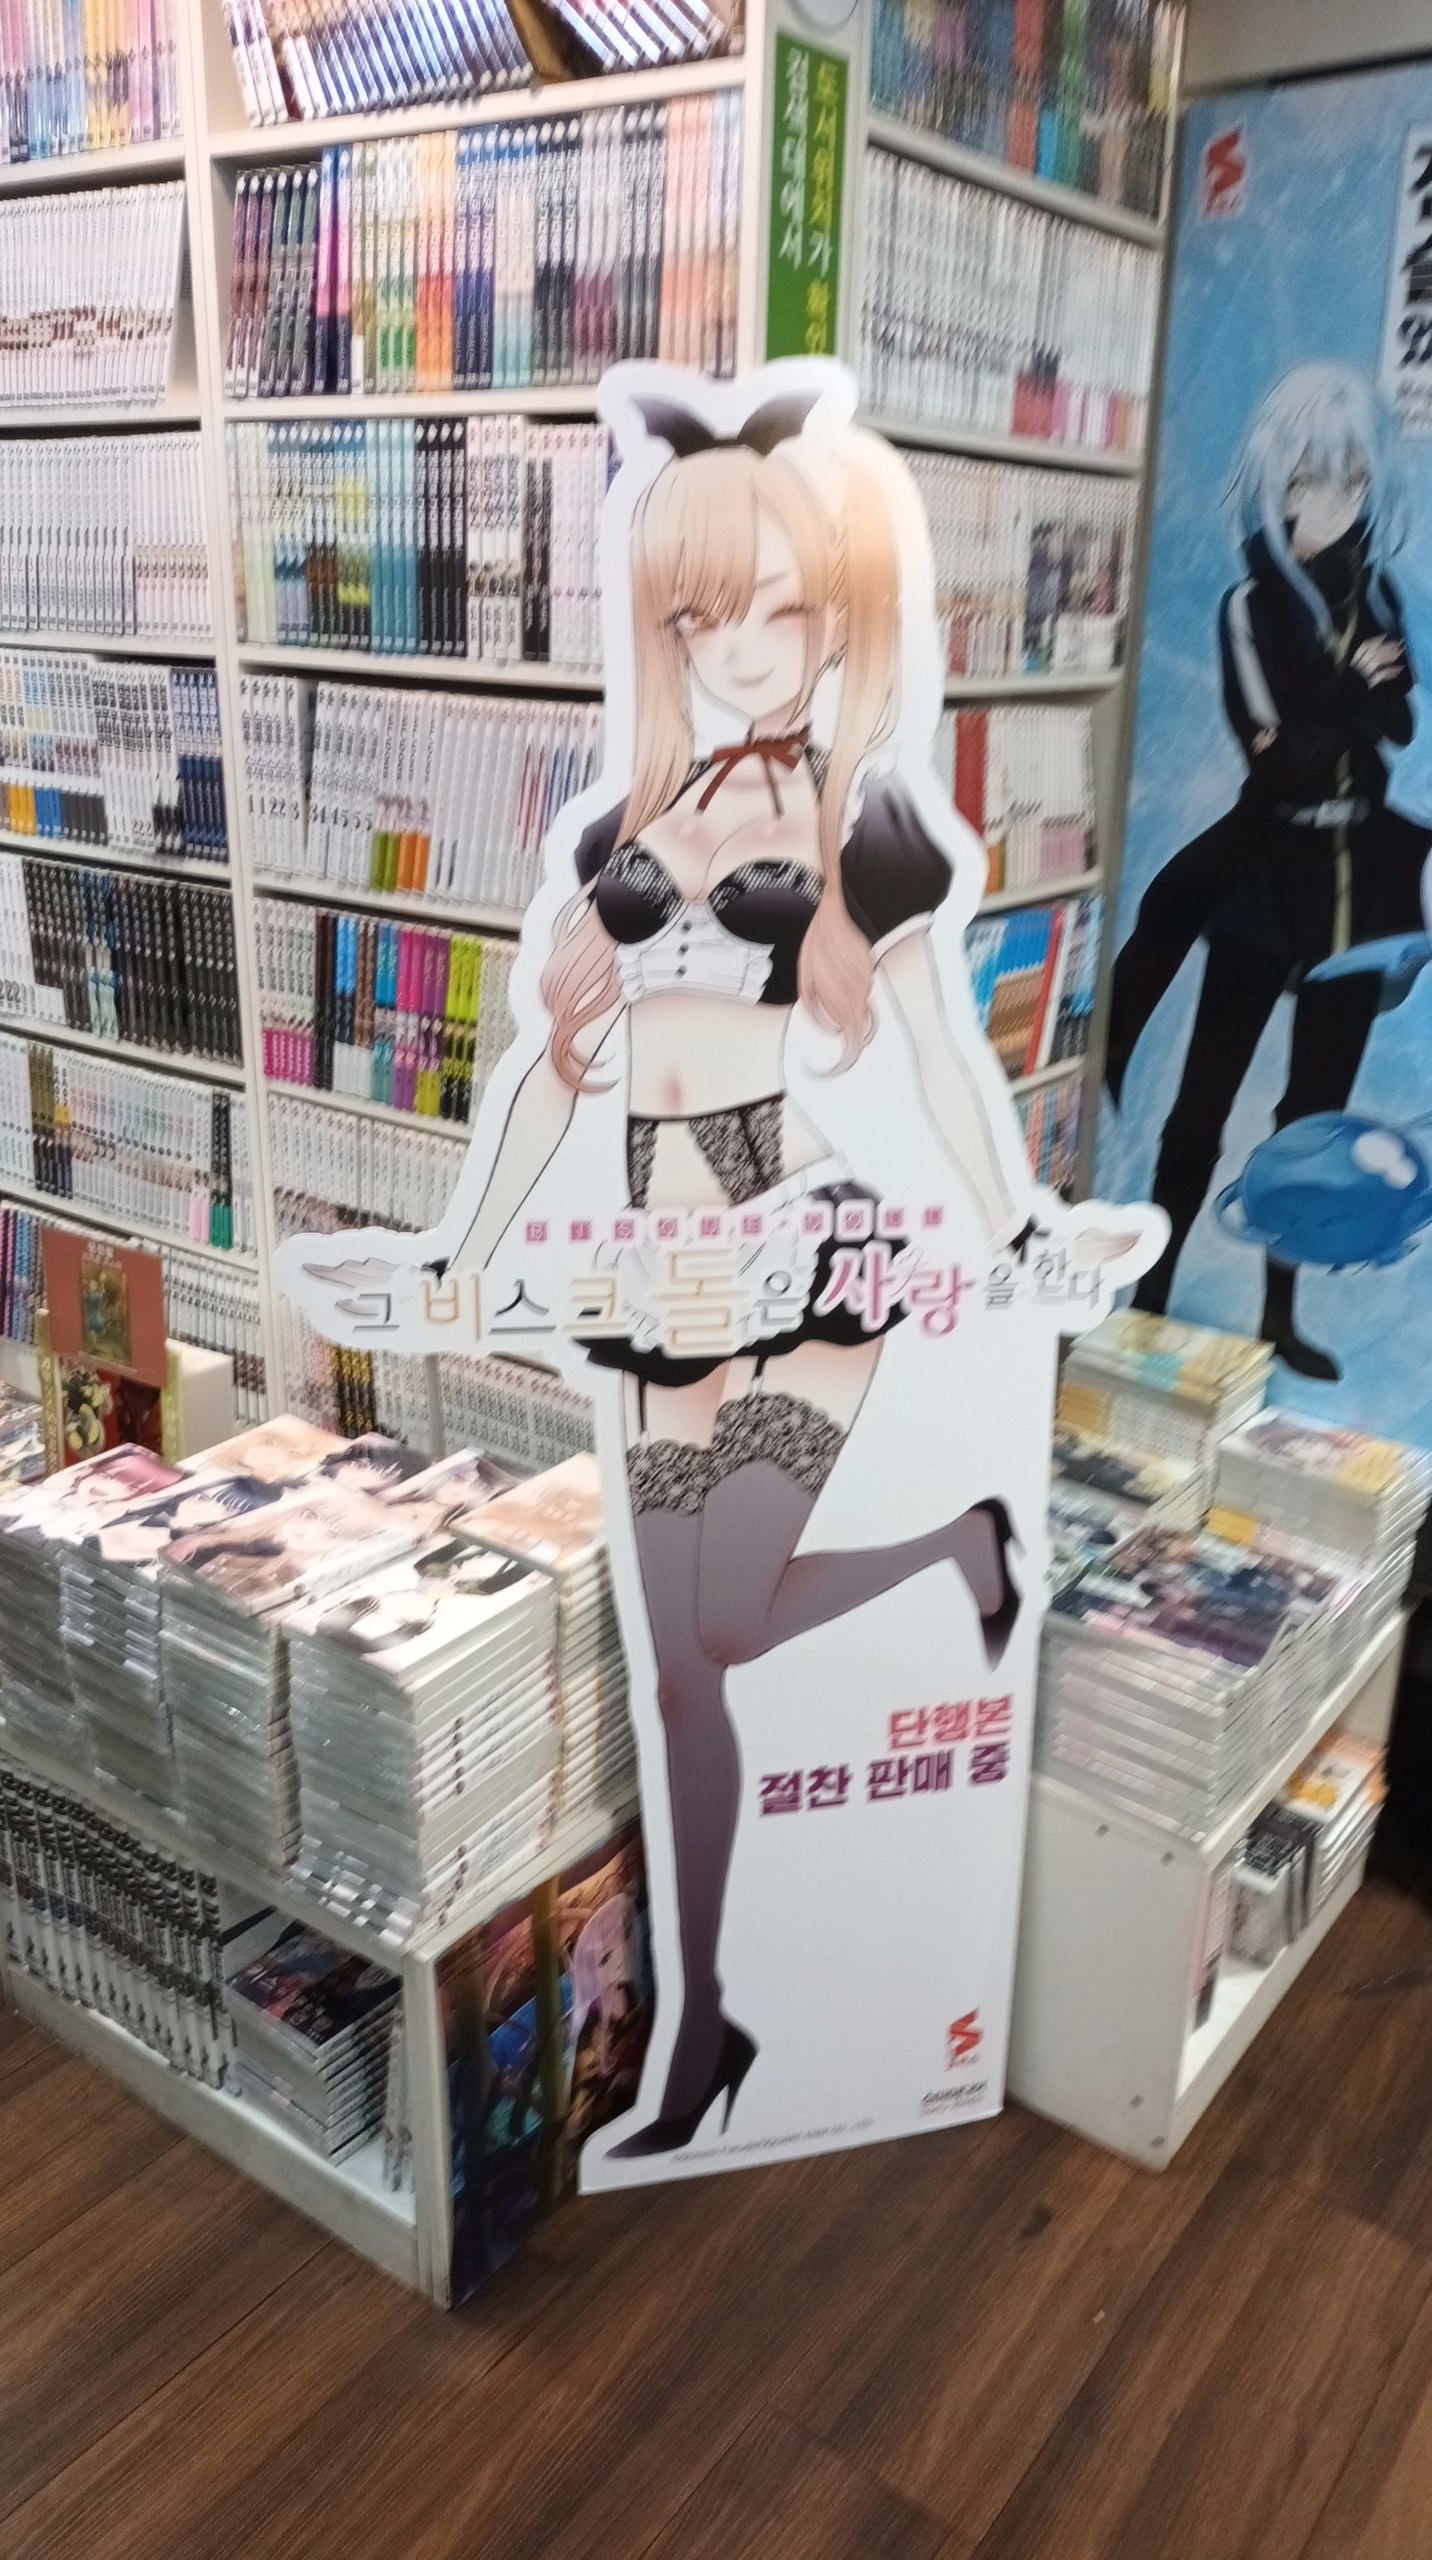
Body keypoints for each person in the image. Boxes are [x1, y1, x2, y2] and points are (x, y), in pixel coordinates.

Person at [283, 379, 1137, 2158]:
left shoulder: (864, 827)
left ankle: (953, 1553)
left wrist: (1021, 1231)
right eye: (701, 614)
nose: (741, 647)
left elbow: (935, 1060)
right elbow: (551, 1076)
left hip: (799, 1236)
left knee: (723, 1626)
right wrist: (455, 1251)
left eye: (779, 610)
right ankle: (703, 2027)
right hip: (660, 1259)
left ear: (835, 621)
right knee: (690, 1671)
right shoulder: (622, 827)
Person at [1106, 362, 1431, 1379]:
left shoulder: (1378, 593)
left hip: (1358, 875)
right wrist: (1347, 687)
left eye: (1350, 480)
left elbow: (1400, 722)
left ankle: (1276, 1318)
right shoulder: (1250, 606)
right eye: (1307, 479)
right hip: (1266, 866)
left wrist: (1342, 699)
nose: (1328, 501)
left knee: (1315, 1119)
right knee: (1200, 1106)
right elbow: (1279, 758)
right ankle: (1150, 1300)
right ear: (1276, 482)